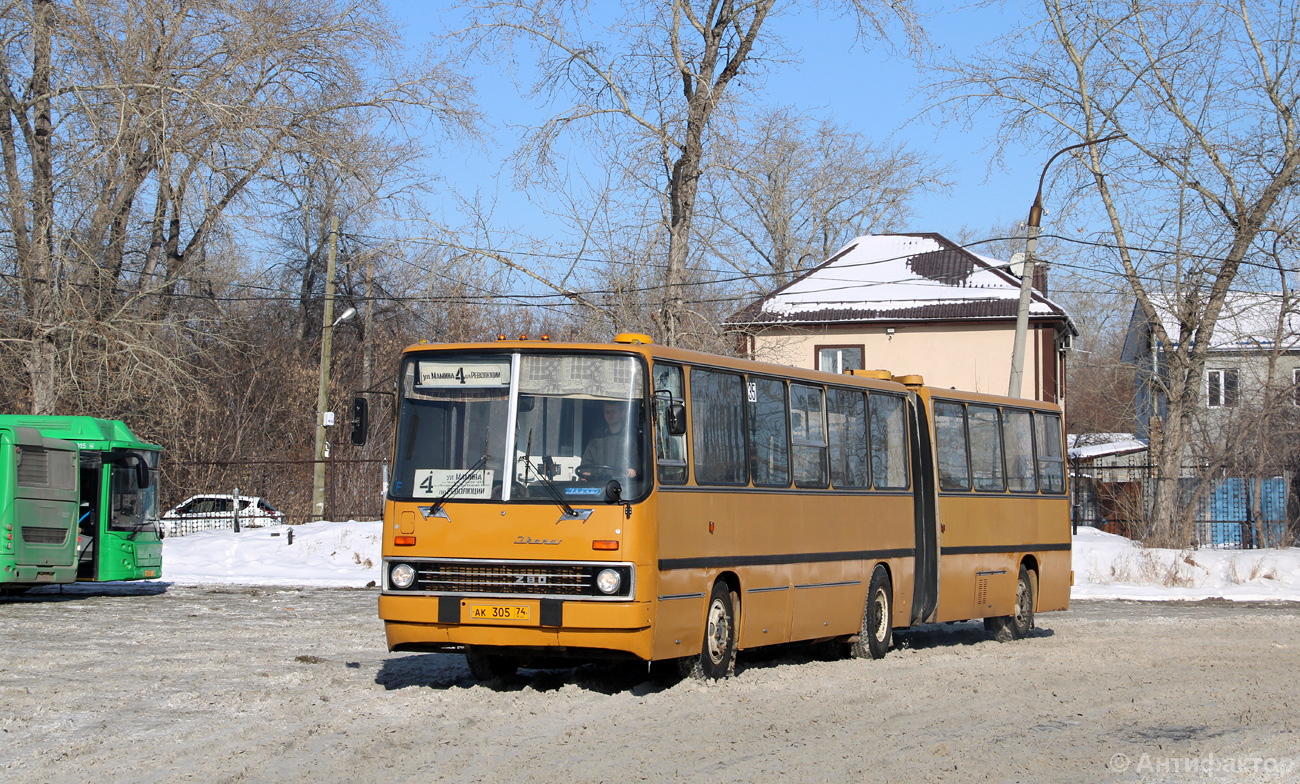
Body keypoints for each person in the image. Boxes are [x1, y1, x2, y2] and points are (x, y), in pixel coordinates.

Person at [580, 401, 639, 480]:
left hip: (623, 485)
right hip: (598, 484)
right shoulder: (597, 438)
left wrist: (633, 470)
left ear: (623, 413)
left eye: (613, 411)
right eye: (607, 411)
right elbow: (587, 460)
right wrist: (586, 472)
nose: (609, 415)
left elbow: (637, 461)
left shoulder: (631, 437)